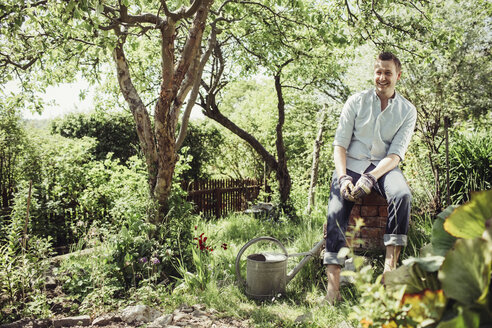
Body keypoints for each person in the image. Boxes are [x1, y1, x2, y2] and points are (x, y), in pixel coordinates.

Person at [324, 51, 417, 303]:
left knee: (402, 194)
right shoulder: (355, 101)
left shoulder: (408, 111)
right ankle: (333, 291)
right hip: (351, 165)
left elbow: (396, 154)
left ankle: (389, 273)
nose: (382, 77)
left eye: (388, 72)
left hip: (385, 168)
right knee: (336, 209)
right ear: (373, 73)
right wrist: (343, 178)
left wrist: (372, 178)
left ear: (398, 75)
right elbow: (340, 145)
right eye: (378, 71)